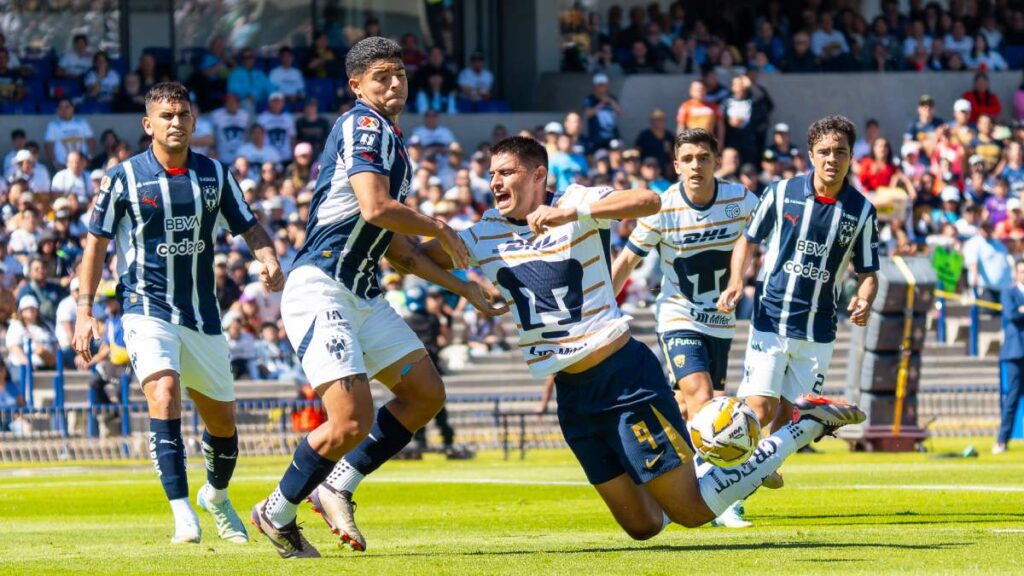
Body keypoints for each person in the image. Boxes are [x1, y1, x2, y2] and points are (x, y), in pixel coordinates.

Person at [414, 135, 866, 542]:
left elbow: (648, 201)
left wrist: (572, 211)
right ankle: (718, 467)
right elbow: (408, 257)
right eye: (491, 173)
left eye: (506, 171)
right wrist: (463, 285)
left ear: (537, 175)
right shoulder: (484, 233)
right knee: (644, 526)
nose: (494, 181)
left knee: (690, 512)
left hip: (624, 378)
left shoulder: (577, 200)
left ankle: (801, 426)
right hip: (572, 394)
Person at [249, 37, 504, 559]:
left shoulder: (391, 140)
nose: (394, 84)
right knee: (348, 421)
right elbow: (374, 208)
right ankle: (275, 510)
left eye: (400, 76)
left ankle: (335, 486)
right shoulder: (362, 124)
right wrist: (441, 226)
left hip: (362, 293)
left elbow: (401, 251)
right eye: (382, 76)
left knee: (426, 394)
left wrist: (466, 287)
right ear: (357, 85)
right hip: (321, 287)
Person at [72, 82, 285, 546]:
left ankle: (215, 494)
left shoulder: (214, 174)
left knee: (222, 425)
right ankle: (181, 511)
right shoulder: (123, 178)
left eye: (183, 115)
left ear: (193, 121)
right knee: (164, 393)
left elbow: (250, 227)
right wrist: (85, 310)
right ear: (148, 125)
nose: (176, 122)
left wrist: (267, 257)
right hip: (144, 307)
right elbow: (96, 244)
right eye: (166, 116)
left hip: (202, 314)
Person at [719, 115, 879, 488]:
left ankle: (754, 468)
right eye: (824, 151)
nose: (831, 159)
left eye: (840, 151)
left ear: (851, 156)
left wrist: (864, 298)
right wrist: (734, 282)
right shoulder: (780, 192)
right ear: (810, 155)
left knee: (794, 417)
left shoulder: (862, 211)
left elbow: (869, 271)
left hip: (819, 330)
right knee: (760, 407)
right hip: (771, 318)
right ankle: (730, 481)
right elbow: (748, 239)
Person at [612, 128, 759, 528]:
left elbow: (753, 235)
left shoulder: (740, 199)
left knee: (691, 401)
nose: (696, 165)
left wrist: (737, 280)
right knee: (703, 396)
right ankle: (719, 496)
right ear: (676, 165)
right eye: (688, 159)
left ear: (717, 161)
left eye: (703, 158)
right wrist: (599, 306)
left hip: (721, 321)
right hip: (678, 314)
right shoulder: (662, 208)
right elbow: (626, 262)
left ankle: (652, 464)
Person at [996, 260, 1024, 454]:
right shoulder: (1009, 292)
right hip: (1016, 351)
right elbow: (1012, 314)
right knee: (1012, 397)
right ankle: (1001, 440)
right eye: (1022, 271)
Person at [45, 98, 95, 169]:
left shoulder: (82, 123)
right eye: (61, 107)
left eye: (67, 107)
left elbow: (90, 140)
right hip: (62, 165)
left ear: (73, 108)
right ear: (57, 110)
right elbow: (48, 145)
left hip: (82, 165)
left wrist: (90, 158)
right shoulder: (53, 125)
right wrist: (55, 163)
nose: (64, 110)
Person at [583, 74, 622, 151]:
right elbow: (588, 114)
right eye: (599, 85)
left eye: (603, 85)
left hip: (612, 136)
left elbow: (620, 112)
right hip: (596, 137)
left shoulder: (612, 98)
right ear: (595, 86)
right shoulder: (590, 99)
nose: (602, 88)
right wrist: (601, 103)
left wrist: (610, 101)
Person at [211, 93, 251, 163]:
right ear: (225, 104)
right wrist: (213, 148)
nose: (231, 104)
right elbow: (212, 133)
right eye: (228, 102)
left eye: (233, 102)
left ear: (238, 104)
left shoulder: (245, 115)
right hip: (222, 153)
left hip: (241, 153)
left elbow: (250, 132)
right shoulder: (217, 115)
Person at [257, 92, 296, 163]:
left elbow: (292, 137)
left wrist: (293, 153)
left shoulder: (288, 118)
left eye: (279, 102)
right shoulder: (262, 118)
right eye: (274, 102)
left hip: (286, 156)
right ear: (269, 103)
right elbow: (258, 137)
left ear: (283, 103)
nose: (276, 104)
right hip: (268, 157)